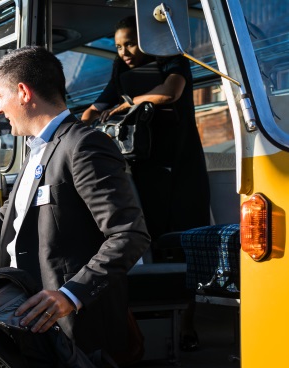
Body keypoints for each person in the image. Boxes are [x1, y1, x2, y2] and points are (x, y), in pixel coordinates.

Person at [0, 46, 150, 364]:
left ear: (23, 92)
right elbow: (8, 218)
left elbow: (130, 235)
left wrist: (71, 295)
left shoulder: (83, 146)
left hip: (79, 329)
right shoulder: (38, 149)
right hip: (38, 322)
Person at [82, 16, 211, 351]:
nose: (124, 52)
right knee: (147, 243)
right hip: (143, 170)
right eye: (119, 45)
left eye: (130, 43)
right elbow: (91, 112)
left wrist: (129, 103)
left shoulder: (173, 62)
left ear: (149, 40)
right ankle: (148, 325)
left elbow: (170, 94)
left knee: (185, 245)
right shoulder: (120, 71)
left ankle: (187, 323)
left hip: (182, 168)